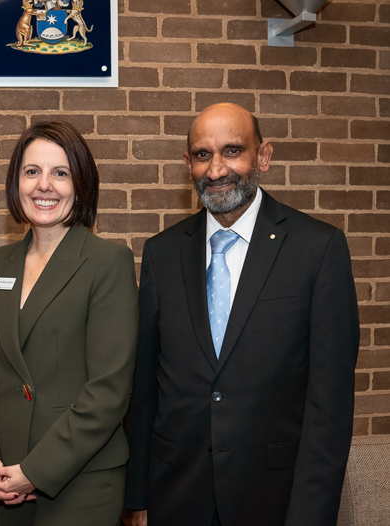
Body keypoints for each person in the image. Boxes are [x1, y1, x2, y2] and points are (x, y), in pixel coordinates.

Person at [124, 103, 359, 526]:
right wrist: (137, 496)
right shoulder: (162, 253)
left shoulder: (318, 249)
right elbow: (145, 386)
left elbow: (330, 406)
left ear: (263, 157)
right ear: (187, 163)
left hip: (274, 500)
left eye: (232, 151)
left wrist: (310, 515)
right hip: (175, 495)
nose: (216, 170)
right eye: (202, 155)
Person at [0, 121, 139, 525]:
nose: (44, 185)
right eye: (32, 172)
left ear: (80, 184)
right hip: (6, 478)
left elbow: (109, 391)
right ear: (16, 182)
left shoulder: (106, 262)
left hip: (82, 480)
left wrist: (34, 472)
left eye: (60, 173)